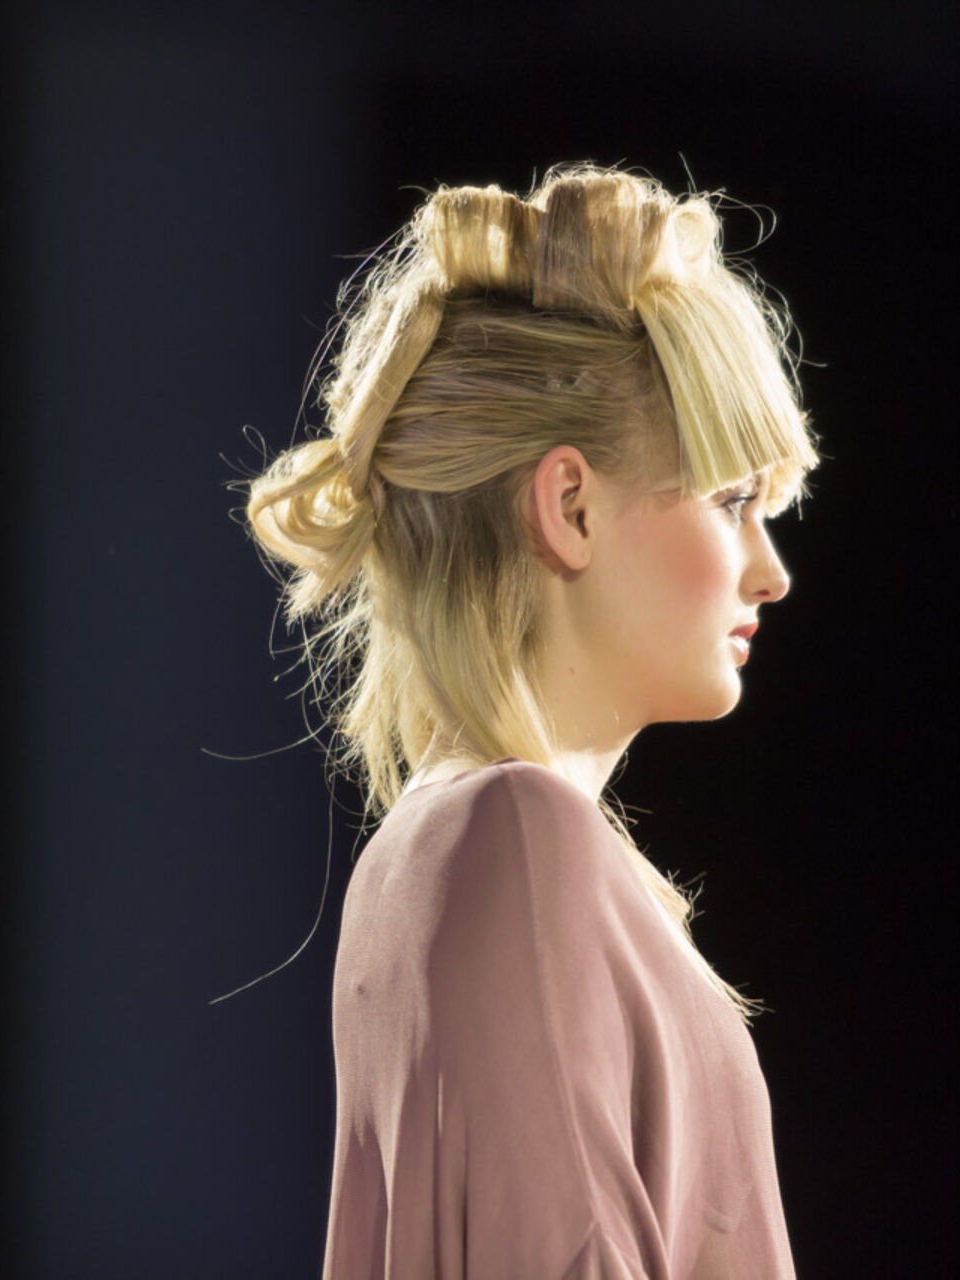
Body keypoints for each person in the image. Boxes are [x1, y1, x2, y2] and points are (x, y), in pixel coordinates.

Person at [245, 161, 820, 1278]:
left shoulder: (417, 861)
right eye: (733, 501)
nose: (772, 571)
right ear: (570, 505)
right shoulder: (515, 834)